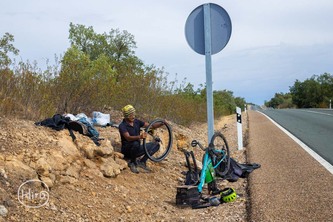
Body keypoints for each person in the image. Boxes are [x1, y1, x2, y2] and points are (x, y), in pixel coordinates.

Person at [118, 104, 165, 173]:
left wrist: (161, 123)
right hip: (127, 151)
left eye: (133, 114)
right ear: (126, 116)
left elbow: (151, 126)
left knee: (156, 145)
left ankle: (142, 162)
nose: (133, 116)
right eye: (130, 115)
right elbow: (128, 138)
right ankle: (132, 163)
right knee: (135, 143)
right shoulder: (122, 126)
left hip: (136, 148)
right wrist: (139, 137)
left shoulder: (136, 121)